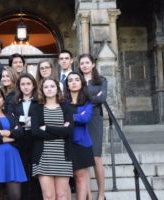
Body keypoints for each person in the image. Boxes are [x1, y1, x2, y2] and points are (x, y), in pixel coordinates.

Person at [31, 77, 74, 200]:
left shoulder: (66, 107)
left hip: (62, 156)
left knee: (61, 195)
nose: (49, 89)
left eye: (52, 86)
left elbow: (69, 131)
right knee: (49, 196)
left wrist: (47, 128)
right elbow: (35, 132)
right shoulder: (37, 108)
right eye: (46, 87)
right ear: (42, 90)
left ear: (57, 89)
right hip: (44, 157)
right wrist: (60, 131)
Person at [78, 54, 107, 200]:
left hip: (95, 119)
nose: (84, 65)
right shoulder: (78, 81)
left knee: (96, 157)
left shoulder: (101, 80)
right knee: (84, 157)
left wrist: (86, 100)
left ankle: (101, 194)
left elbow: (102, 98)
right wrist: (93, 98)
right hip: (81, 119)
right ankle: (88, 194)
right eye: (82, 63)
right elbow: (76, 99)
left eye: (87, 62)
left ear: (93, 64)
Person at [65, 72, 95, 200]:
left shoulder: (87, 102)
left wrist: (70, 117)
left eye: (77, 79)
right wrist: (78, 116)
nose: (74, 82)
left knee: (80, 177)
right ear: (67, 84)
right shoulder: (63, 102)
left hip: (81, 144)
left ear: (82, 82)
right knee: (64, 179)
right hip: (65, 142)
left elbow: (85, 118)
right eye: (70, 80)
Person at [13, 73, 43, 200]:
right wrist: (25, 120)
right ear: (19, 86)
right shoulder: (14, 102)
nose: (26, 87)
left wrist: (23, 120)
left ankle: (37, 196)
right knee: (23, 168)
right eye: (23, 84)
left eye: (28, 84)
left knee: (36, 168)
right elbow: (12, 120)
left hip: (36, 137)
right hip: (20, 138)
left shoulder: (39, 101)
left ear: (33, 85)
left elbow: (41, 119)